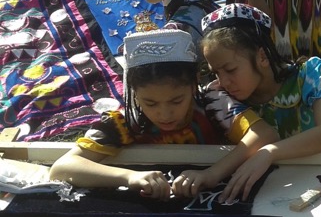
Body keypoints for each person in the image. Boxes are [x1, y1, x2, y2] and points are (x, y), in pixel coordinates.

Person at [49, 29, 275, 199]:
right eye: (150, 103)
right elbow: (63, 168)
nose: (164, 114)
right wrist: (129, 177)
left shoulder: (213, 105)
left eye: (176, 100)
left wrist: (212, 174)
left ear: (194, 84)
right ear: (134, 94)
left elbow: (265, 134)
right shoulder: (127, 121)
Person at [201, 4, 321, 201]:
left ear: (262, 56)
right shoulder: (222, 94)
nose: (224, 81)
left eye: (231, 70)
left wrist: (270, 152)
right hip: (269, 193)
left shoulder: (308, 76)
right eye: (216, 72)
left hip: (320, 184)